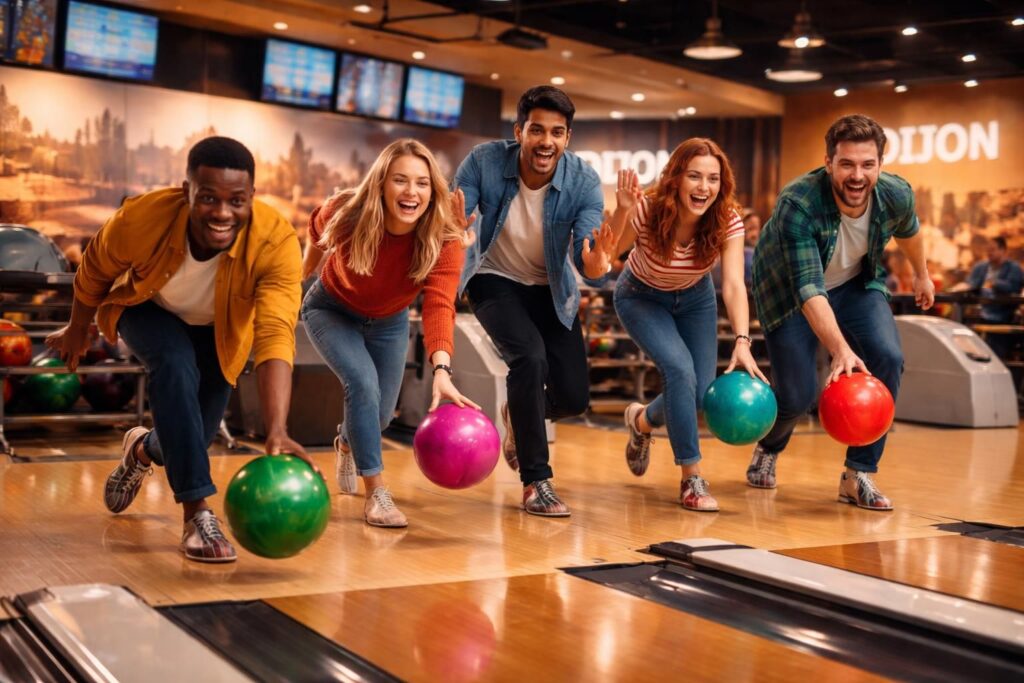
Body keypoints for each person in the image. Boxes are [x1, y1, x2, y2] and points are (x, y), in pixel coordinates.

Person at [46, 136, 309, 563]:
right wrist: (78, 328)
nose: (222, 213)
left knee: (187, 440)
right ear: (186, 190)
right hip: (145, 307)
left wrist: (276, 428)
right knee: (174, 362)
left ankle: (142, 448)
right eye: (208, 198)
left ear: (252, 198)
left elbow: (276, 333)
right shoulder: (142, 217)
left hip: (220, 331)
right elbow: (93, 271)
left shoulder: (275, 242)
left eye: (236, 200)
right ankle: (197, 515)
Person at [750, 114, 935, 511]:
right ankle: (770, 445)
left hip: (855, 284)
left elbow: (910, 230)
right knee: (797, 396)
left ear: (880, 165)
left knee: (888, 356)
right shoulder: (798, 202)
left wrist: (922, 275)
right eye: (847, 164)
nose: (857, 175)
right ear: (828, 161)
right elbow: (808, 286)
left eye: (867, 164)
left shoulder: (895, 193)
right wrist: (839, 348)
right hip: (789, 292)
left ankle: (858, 473)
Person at [454, 85, 615, 517]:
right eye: (537, 130)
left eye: (557, 133)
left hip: (550, 288)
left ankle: (517, 412)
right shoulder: (484, 160)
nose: (547, 142)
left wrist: (596, 263)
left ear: (568, 138)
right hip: (492, 277)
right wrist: (451, 225)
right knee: (529, 358)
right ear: (519, 131)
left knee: (575, 397)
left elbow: (589, 251)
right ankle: (536, 482)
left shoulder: (583, 180)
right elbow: (456, 214)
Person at [302, 139, 478, 528]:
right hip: (331, 309)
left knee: (380, 415)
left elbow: (439, 305)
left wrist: (442, 372)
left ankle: (347, 440)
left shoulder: (445, 239)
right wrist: (304, 275)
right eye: (400, 180)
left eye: (421, 183)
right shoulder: (347, 212)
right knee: (362, 385)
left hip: (389, 320)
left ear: (433, 191)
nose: (411, 192)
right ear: (381, 183)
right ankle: (377, 493)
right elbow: (316, 229)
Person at [609, 140, 767, 511]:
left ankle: (642, 422)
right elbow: (610, 250)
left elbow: (731, 285)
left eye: (712, 178)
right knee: (680, 371)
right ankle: (692, 478)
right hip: (640, 296)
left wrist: (742, 340)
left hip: (695, 299)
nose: (703, 187)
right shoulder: (647, 208)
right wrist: (622, 212)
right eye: (694, 176)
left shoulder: (727, 219)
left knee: (700, 393)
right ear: (676, 178)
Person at [965, 236, 1024, 357]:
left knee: (995, 353)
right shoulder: (981, 267)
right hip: (979, 314)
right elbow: (970, 284)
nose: (989, 252)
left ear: (1003, 250)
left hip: (1003, 316)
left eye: (992, 249)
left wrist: (995, 283)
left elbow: (1014, 288)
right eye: (987, 249)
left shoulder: (1014, 268)